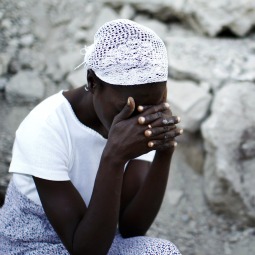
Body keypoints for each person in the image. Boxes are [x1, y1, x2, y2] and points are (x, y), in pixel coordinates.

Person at [0, 19, 183, 254]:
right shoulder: (46, 126)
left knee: (163, 251)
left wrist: (164, 152)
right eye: (126, 106)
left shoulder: (140, 120)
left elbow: (131, 228)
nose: (140, 117)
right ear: (92, 82)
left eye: (153, 105)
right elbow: (85, 251)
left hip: (100, 237)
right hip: (31, 244)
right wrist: (113, 158)